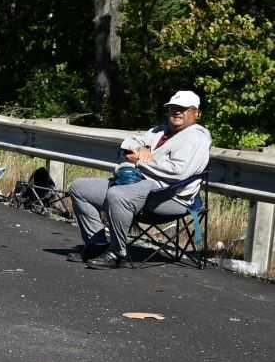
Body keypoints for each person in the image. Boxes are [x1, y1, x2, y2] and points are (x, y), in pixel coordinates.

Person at [67, 90, 211, 269]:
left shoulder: (196, 137)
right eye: (173, 108)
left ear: (195, 113)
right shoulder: (160, 131)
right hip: (139, 184)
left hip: (168, 195)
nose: (177, 112)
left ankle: (117, 252)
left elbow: (178, 173)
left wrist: (141, 161)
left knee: (118, 195)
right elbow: (129, 141)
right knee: (80, 188)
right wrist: (140, 147)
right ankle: (96, 244)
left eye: (183, 109)